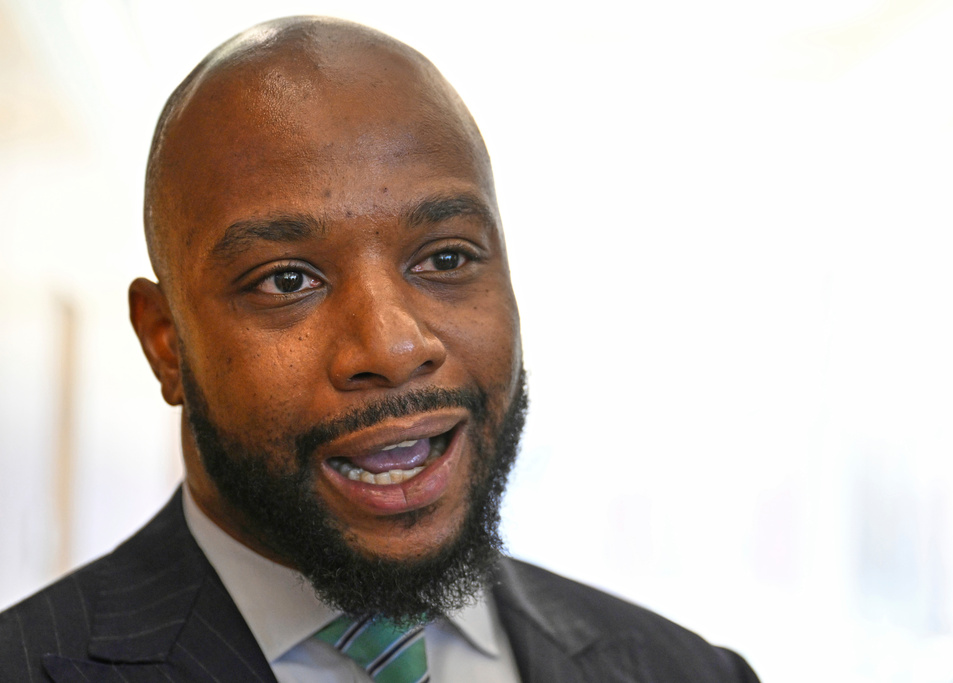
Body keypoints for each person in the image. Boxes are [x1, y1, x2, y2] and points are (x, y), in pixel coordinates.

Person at [0, 16, 759, 682]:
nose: (394, 346)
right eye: (287, 279)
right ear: (166, 342)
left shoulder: (687, 669)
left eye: (447, 258)